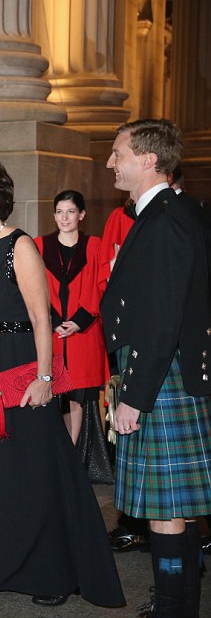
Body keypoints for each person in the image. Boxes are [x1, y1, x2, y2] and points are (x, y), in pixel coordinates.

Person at [0, 157, 124, 608]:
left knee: (33, 472)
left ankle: (49, 572)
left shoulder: (21, 247)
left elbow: (42, 318)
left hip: (20, 369)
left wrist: (45, 377)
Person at [101, 119, 211, 617]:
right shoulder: (175, 211)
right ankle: (181, 601)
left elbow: (162, 317)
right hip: (166, 372)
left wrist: (134, 397)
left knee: (166, 511)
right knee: (179, 509)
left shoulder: (164, 218)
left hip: (159, 376)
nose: (110, 162)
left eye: (118, 153)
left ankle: (172, 608)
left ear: (148, 159)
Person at [34, 190, 107, 444]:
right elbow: (33, 287)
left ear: (82, 215)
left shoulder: (95, 246)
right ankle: (57, 454)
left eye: (71, 211)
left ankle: (72, 453)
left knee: (77, 395)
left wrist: (80, 321)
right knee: (52, 393)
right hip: (50, 332)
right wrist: (53, 320)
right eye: (60, 212)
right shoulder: (39, 246)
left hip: (84, 334)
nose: (65, 218)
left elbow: (102, 287)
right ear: (54, 215)